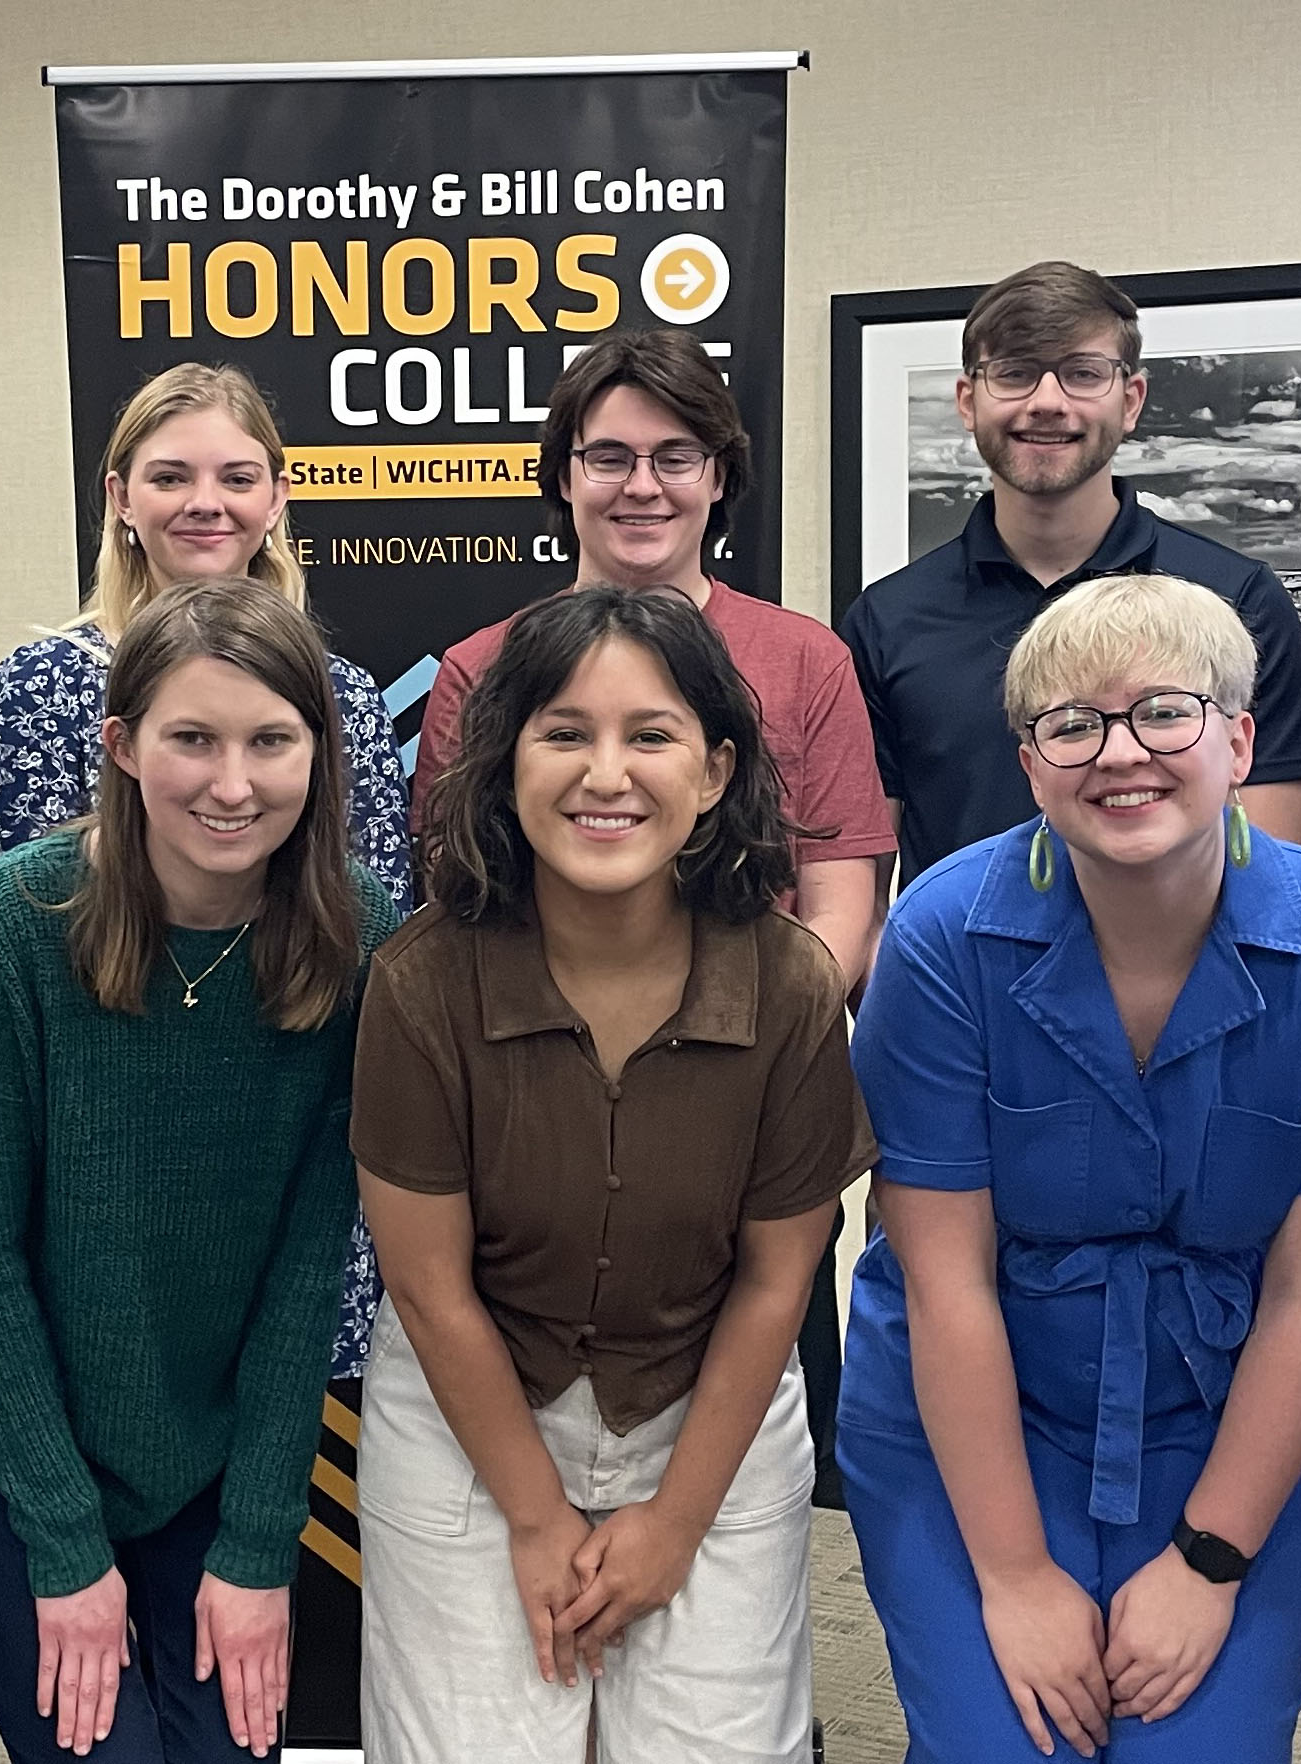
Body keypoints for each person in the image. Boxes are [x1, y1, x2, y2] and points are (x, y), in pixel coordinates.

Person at [838, 573, 1301, 1761]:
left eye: (1165, 711)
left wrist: (1208, 1561)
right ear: (1030, 763)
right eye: (1074, 724)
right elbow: (945, 1283)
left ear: (1240, 740)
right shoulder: (943, 934)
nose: (1122, 754)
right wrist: (1016, 1577)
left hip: (1230, 1416)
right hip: (973, 1415)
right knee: (1005, 1748)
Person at [353, 585, 861, 1761]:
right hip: (470, 1416)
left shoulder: (791, 983)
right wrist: (536, 1519)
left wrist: (676, 1526)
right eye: (565, 733)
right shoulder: (420, 983)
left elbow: (777, 1283)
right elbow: (427, 1286)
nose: (606, 774)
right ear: (505, 762)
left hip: (709, 1414)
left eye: (651, 735)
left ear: (717, 771)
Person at [0, 578, 398, 1762]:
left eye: (271, 741)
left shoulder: (358, 936)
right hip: (3, 1425)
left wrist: (259, 1550)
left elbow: (308, 1274)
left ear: (319, 753)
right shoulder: (21, 919)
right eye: (193, 739)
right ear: (122, 747)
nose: (233, 784)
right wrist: (68, 1552)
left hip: (207, 1439)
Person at [407, 326, 895, 1508]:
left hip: (748, 1130)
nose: (643, 486)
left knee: (742, 1477)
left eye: (676, 456)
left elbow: (841, 903)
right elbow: (458, 904)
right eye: (609, 456)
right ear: (564, 476)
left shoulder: (804, 662)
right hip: (540, 1136)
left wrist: (735, 1060)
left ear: (720, 476)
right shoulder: (480, 670)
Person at [0, 360, 410, 1386]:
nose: (205, 503)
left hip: (285, 1151)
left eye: (236, 477)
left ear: (277, 498)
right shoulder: (47, 684)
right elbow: (27, 947)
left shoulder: (340, 693)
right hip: (109, 1172)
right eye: (171, 476)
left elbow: (370, 938)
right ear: (120, 498)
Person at [840, 260, 1301, 884]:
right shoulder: (886, 622)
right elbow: (862, 892)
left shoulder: (1240, 599)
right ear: (968, 401)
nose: (1047, 402)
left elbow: (1276, 881)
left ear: (1131, 401)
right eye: (1014, 373)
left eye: (1082, 374)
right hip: (963, 952)